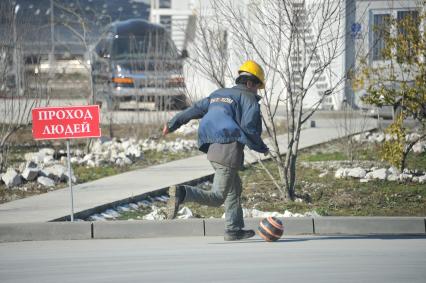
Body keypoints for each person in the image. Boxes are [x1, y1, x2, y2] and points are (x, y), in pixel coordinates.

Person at [162, 60, 269, 241]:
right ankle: (183, 193)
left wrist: (172, 125)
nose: (256, 91)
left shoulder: (218, 94)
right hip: (228, 151)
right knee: (218, 196)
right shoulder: (249, 98)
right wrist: (261, 147)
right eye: (257, 87)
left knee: (234, 188)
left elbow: (193, 110)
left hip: (212, 148)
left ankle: (234, 229)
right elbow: (250, 127)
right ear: (250, 83)